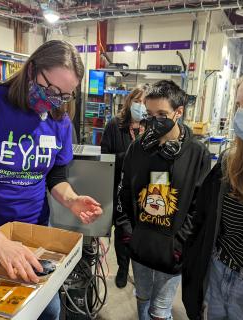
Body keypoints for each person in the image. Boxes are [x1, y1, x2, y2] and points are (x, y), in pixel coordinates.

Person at [0, 40, 102, 320]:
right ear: (31, 69)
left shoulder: (59, 118)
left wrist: (71, 199)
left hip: (32, 231)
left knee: (46, 309)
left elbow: (55, 176)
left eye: (64, 95)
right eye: (50, 90)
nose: (55, 100)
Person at [181, 64, 243, 320]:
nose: (241, 114)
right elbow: (201, 221)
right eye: (238, 106)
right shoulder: (229, 164)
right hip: (217, 273)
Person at [116, 80, 210, 320]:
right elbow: (124, 193)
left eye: (162, 114)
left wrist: (180, 245)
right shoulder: (137, 149)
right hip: (140, 245)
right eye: (150, 114)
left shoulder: (197, 153)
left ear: (178, 112)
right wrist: (128, 233)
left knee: (160, 311)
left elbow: (199, 207)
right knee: (142, 298)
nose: (154, 120)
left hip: (172, 250)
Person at [101, 86, 147, 288]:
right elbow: (105, 157)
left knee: (139, 231)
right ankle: (122, 267)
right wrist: (129, 156)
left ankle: (138, 268)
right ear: (129, 102)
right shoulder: (114, 125)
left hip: (143, 190)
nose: (141, 106)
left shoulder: (151, 126)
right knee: (122, 230)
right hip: (118, 188)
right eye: (138, 101)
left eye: (146, 103)